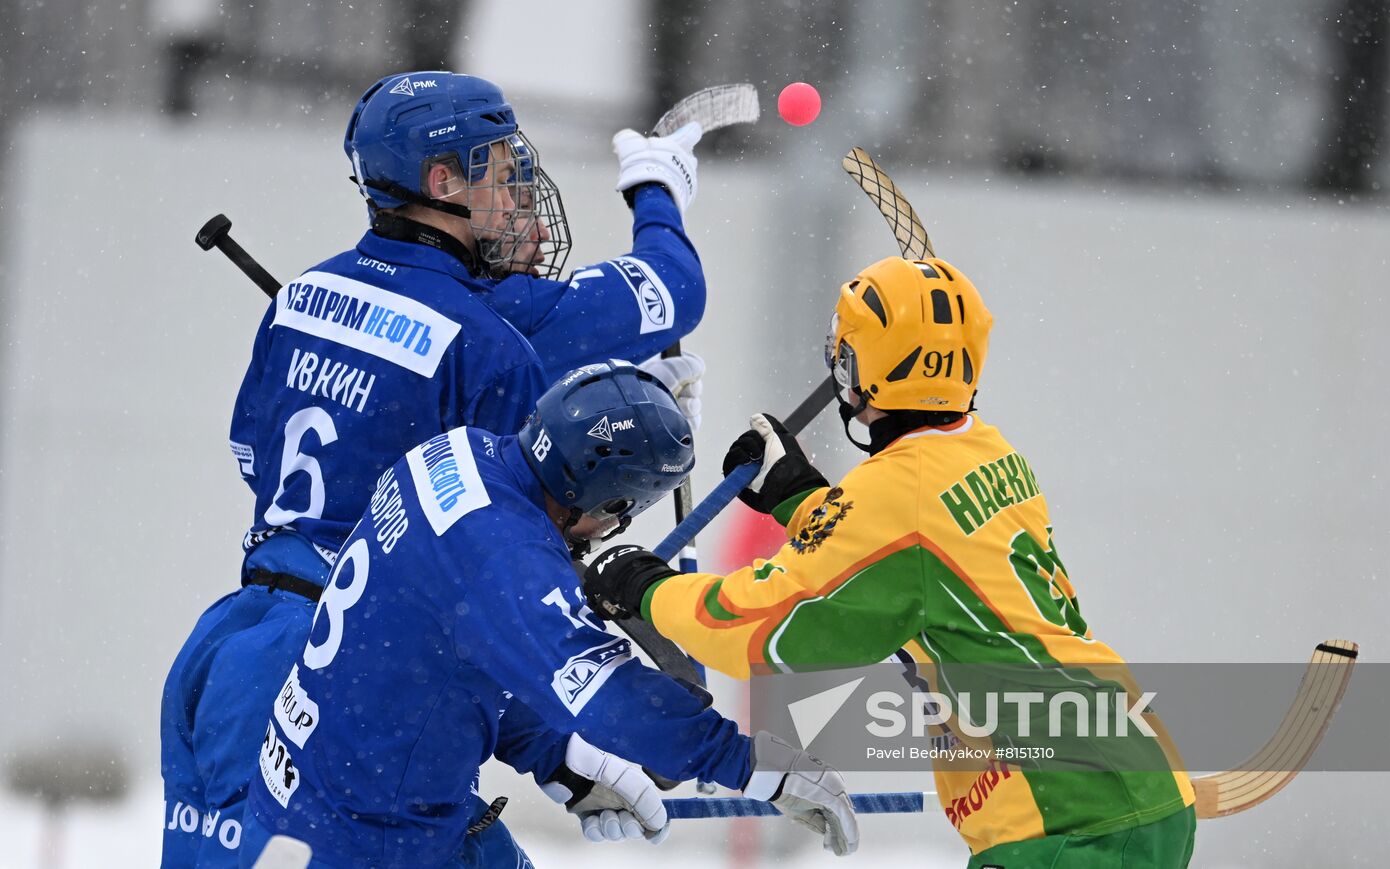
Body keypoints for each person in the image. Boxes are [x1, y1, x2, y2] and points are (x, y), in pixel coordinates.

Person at [161, 70, 706, 866]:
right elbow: (501, 568)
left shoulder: (304, 294)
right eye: (499, 169)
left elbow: (252, 454)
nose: (517, 192)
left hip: (231, 642)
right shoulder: (489, 340)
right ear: (442, 181)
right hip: (348, 676)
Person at [583, 256, 1198, 868]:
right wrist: (799, 496)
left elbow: (759, 629)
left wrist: (644, 585)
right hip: (1131, 779)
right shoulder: (985, 451)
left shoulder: (895, 497)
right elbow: (907, 555)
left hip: (1071, 821)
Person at [237, 361, 859, 867]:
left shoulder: (457, 451)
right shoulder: (506, 556)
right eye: (624, 510)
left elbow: (441, 654)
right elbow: (611, 698)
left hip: (325, 791)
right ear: (606, 497)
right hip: (373, 838)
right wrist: (755, 767)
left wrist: (558, 756)